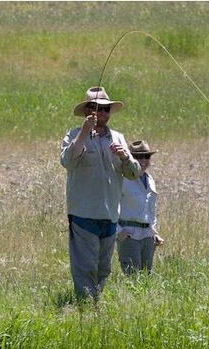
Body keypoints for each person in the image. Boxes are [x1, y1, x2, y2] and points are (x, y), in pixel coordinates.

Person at [59, 87, 141, 299]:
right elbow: (67, 161)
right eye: (95, 109)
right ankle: (85, 307)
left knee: (104, 267)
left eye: (105, 109)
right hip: (83, 213)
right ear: (87, 110)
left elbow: (134, 173)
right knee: (86, 266)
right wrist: (85, 132)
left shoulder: (118, 138)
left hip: (111, 214)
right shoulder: (74, 135)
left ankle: (95, 303)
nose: (101, 113)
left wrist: (125, 157)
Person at [117, 140, 164, 275]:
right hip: (129, 235)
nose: (143, 160)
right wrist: (119, 232)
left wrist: (154, 233)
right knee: (132, 277)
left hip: (148, 236)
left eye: (146, 156)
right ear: (131, 159)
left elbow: (150, 209)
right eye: (138, 157)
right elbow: (110, 206)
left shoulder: (150, 180)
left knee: (146, 277)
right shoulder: (122, 179)